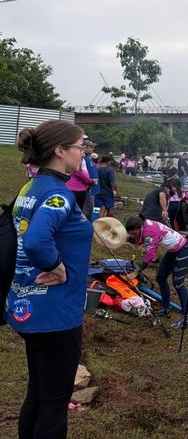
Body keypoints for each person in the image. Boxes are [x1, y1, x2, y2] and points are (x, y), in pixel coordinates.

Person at [6, 119, 93, 439]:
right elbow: (36, 240)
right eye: (80, 146)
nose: (84, 152)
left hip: (27, 304)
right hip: (57, 313)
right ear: (60, 151)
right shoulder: (59, 195)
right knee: (55, 404)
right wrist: (57, 266)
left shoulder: (31, 187)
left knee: (38, 393)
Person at [124, 215, 188, 329]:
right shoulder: (144, 225)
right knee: (160, 278)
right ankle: (166, 309)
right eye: (131, 234)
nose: (133, 236)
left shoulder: (149, 232)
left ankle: (186, 318)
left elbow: (150, 255)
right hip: (172, 250)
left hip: (183, 249)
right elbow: (140, 241)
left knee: (178, 284)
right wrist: (129, 238)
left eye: (134, 233)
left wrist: (136, 272)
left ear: (140, 227)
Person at [65, 139, 94, 210]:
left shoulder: (82, 158)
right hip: (76, 188)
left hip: (75, 187)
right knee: (76, 209)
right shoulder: (77, 158)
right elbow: (78, 172)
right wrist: (90, 181)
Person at [81, 141, 99, 220]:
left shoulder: (88, 157)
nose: (93, 148)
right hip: (88, 188)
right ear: (84, 147)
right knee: (87, 210)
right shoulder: (83, 158)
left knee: (90, 209)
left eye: (93, 147)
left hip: (92, 188)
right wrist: (90, 182)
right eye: (91, 147)